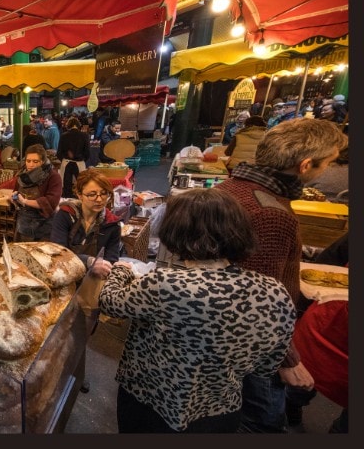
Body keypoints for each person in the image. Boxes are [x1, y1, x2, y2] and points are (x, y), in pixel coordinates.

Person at [99, 188, 296, 433]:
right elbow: (267, 366)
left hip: (150, 403)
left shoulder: (166, 283)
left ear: (175, 232)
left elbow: (110, 302)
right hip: (221, 410)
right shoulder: (275, 291)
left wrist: (122, 269)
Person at [215, 117, 347, 433]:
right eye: (327, 163)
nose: (327, 170)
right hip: (255, 348)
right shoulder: (271, 213)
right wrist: (288, 360)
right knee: (262, 424)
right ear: (305, 165)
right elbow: (258, 302)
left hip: (223, 335)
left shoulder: (228, 187)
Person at [286, 232, 348, 432]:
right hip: (331, 323)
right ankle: (290, 410)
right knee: (300, 380)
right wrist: (299, 310)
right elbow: (328, 262)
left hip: (331, 320)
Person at [51, 168, 122, 273]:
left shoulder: (112, 224)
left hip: (96, 277)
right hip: (66, 272)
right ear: (79, 195)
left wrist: (110, 266)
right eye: (92, 195)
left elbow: (111, 259)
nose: (99, 200)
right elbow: (58, 253)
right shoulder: (65, 215)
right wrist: (89, 261)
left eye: (104, 193)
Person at [1, 144, 62, 241]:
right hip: (24, 223)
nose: (31, 164)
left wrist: (25, 201)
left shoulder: (53, 176)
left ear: (42, 162)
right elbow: (16, 192)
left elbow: (51, 201)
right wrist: (13, 198)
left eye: (35, 161)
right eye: (28, 161)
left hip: (44, 225)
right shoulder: (22, 175)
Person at [56, 117, 91, 198]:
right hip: (80, 163)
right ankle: (81, 199)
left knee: (66, 185)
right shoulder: (84, 136)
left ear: (68, 125)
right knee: (82, 184)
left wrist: (64, 159)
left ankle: (67, 202)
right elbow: (88, 152)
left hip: (66, 163)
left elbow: (59, 152)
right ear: (78, 125)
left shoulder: (64, 136)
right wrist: (82, 159)